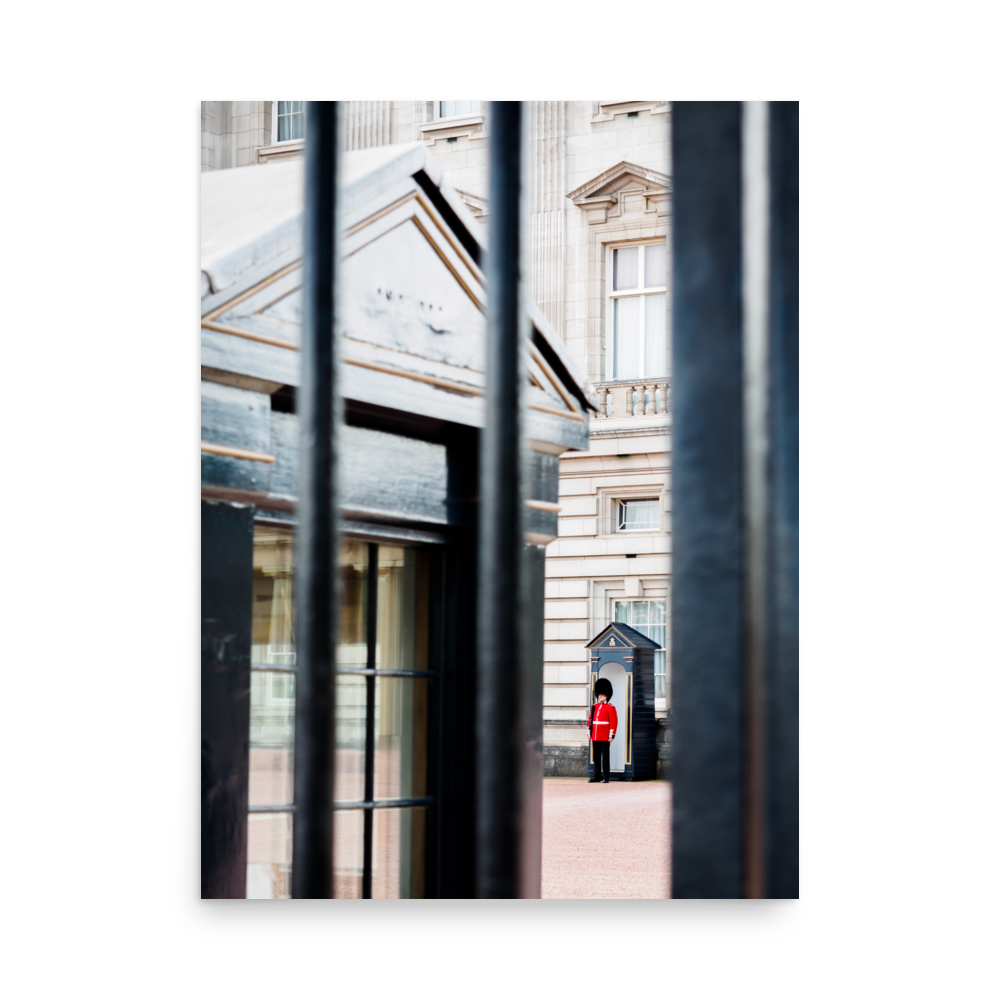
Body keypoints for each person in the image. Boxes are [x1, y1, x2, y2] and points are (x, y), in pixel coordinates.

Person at [587, 677, 618, 783]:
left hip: (605, 736)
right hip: (595, 735)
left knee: (605, 757)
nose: (600, 696)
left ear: (606, 695)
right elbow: (590, 721)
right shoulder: (594, 706)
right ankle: (596, 776)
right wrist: (589, 732)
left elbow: (613, 722)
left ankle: (605, 777)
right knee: (596, 757)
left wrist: (611, 735)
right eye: (599, 694)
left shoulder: (610, 707)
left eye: (602, 694)